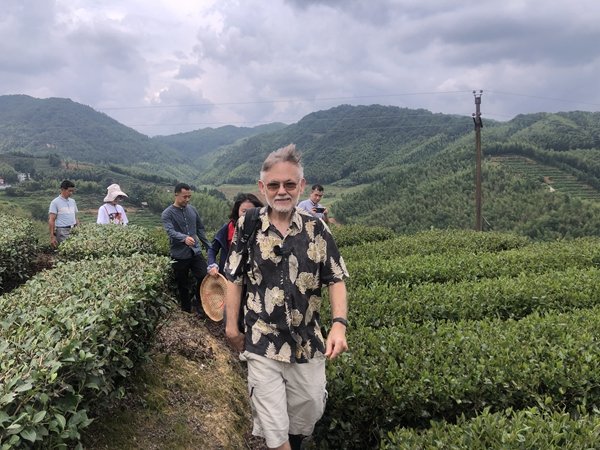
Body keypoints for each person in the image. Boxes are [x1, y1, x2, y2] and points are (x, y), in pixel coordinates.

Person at [224, 144, 349, 450]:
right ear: (262, 188)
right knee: (274, 426)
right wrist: (231, 327)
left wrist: (339, 324)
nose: (282, 191)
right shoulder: (248, 225)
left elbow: (335, 277)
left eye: (289, 184)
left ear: (301, 186)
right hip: (262, 339)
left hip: (307, 340)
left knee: (308, 409)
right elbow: (234, 277)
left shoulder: (316, 228)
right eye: (274, 185)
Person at [161, 182, 211, 314]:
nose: (187, 199)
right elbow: (170, 231)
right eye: (184, 197)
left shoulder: (192, 210)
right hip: (179, 255)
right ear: (176, 195)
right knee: (183, 285)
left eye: (189, 196)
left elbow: (200, 229)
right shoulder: (167, 213)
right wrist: (183, 238)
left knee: (204, 276)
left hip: (195, 251)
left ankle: (198, 302)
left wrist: (208, 245)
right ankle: (186, 310)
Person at [207, 193, 264, 277]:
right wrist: (212, 265)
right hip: (229, 276)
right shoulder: (228, 228)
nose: (247, 214)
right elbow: (213, 249)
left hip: (255, 277)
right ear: (237, 211)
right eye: (244, 211)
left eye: (252, 211)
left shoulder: (263, 229)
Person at [48, 179, 79, 247]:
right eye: (69, 191)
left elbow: (75, 217)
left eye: (72, 191)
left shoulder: (72, 201)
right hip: (62, 231)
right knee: (67, 249)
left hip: (73, 230)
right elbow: (51, 220)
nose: (71, 193)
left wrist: (78, 228)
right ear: (62, 189)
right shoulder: (55, 202)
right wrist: (52, 236)